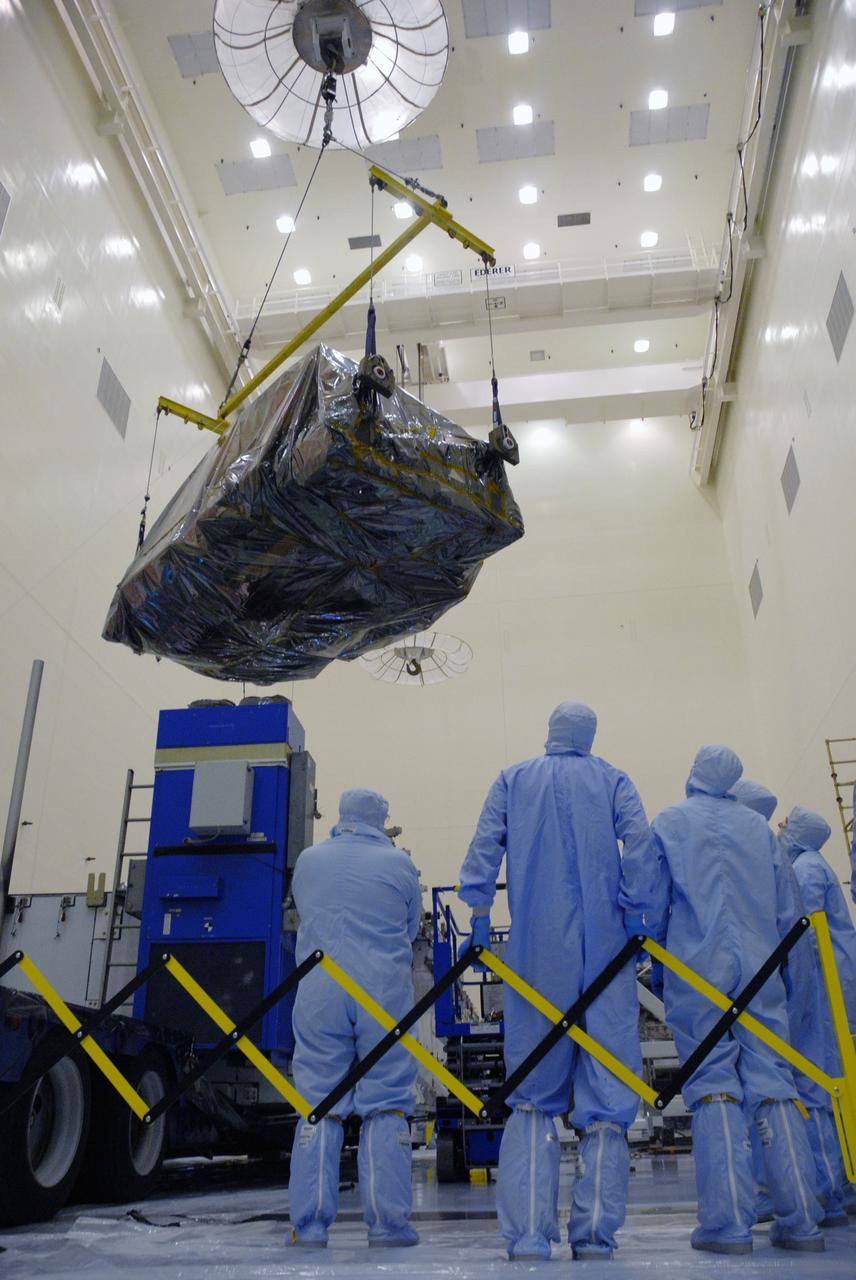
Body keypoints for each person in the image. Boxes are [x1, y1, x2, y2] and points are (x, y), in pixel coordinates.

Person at [457, 701, 660, 1261]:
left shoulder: (513, 779)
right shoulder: (614, 780)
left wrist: (477, 914)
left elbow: (483, 846)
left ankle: (528, 1236)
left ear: (549, 731)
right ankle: (595, 1235)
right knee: (607, 1091)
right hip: (606, 953)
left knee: (532, 1097)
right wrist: (639, 910)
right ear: (591, 733)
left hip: (536, 956)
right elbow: (640, 846)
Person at [649, 746, 824, 1255]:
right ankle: (802, 1221)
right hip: (760, 967)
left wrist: (662, 971)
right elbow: (788, 908)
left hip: (696, 968)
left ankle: (727, 1226)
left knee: (713, 1086)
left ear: (694, 774)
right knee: (775, 1083)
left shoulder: (671, 822)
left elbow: (656, 905)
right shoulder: (757, 830)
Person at [287, 788, 422, 1249]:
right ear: (381, 820)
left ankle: (308, 1226)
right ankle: (388, 1224)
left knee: (318, 1100)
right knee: (385, 1100)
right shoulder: (398, 865)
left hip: (319, 988)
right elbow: (412, 929)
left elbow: (300, 911)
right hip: (380, 992)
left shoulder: (309, 860)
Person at [778, 806, 856, 1225]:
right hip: (833, 988)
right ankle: (842, 1183)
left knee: (821, 1087)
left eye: (788, 823)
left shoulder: (806, 870)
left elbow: (802, 936)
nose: (781, 828)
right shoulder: (815, 864)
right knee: (835, 1085)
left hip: (822, 991)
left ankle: (829, 1190)